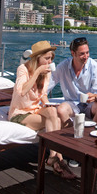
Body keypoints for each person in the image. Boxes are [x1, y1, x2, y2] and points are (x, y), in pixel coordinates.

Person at [8, 41, 75, 179]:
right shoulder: (23, 69)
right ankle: (59, 160)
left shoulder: (47, 72)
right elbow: (22, 91)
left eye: (51, 58)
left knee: (53, 113)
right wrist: (37, 71)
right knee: (54, 119)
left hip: (35, 109)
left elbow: (43, 95)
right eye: (47, 58)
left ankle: (52, 157)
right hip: (20, 113)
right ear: (37, 58)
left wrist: (47, 104)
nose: (49, 61)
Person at [48, 37, 97, 127]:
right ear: (73, 53)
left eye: (87, 52)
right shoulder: (63, 66)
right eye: (82, 54)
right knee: (61, 110)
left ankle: (91, 132)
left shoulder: (93, 66)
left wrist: (94, 96)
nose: (86, 56)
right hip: (72, 103)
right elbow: (49, 84)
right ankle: (72, 131)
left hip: (89, 105)